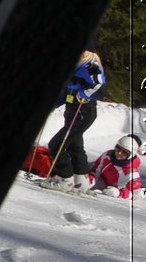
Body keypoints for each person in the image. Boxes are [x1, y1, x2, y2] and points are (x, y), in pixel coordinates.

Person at [40, 50, 106, 190]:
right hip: (72, 112)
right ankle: (81, 182)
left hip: (83, 111)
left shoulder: (90, 65)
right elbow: (66, 91)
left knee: (56, 145)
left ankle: (65, 180)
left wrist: (83, 94)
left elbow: (99, 84)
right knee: (75, 146)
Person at [89, 135, 144, 200]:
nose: (119, 153)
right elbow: (95, 170)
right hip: (101, 183)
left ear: (131, 154)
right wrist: (91, 179)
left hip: (116, 190)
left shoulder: (131, 172)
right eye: (118, 148)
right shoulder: (107, 155)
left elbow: (136, 194)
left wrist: (119, 193)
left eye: (124, 152)